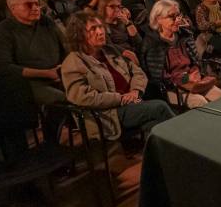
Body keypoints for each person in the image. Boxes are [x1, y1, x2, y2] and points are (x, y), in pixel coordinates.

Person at [61, 11, 174, 140]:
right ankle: (186, 143)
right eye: (93, 29)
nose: (100, 32)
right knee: (160, 108)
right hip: (108, 114)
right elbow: (83, 97)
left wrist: (135, 91)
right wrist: (120, 98)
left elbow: (138, 72)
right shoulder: (73, 63)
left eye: (101, 27)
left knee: (158, 126)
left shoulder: (110, 51)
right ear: (79, 35)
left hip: (131, 104)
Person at [142, 0, 221, 108]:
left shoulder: (184, 36)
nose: (178, 20)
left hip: (193, 82)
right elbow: (160, 78)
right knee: (200, 102)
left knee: (219, 95)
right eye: (172, 17)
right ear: (159, 19)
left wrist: (196, 71)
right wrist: (186, 78)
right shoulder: (152, 43)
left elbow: (196, 61)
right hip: (172, 88)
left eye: (178, 15)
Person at [0, 0, 67, 105]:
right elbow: (3, 66)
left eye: (37, 4)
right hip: (29, 82)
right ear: (13, 8)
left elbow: (65, 47)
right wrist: (47, 73)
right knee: (66, 98)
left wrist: (63, 67)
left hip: (59, 75)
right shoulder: (3, 30)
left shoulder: (46, 21)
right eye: (28, 5)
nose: (35, 8)